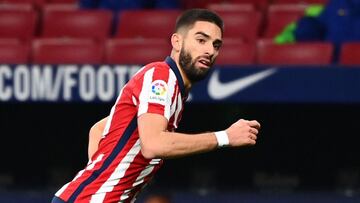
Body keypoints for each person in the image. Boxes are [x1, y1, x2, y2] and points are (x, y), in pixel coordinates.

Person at [52, 9, 261, 203]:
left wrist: (110, 184)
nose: (210, 50)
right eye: (201, 40)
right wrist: (225, 137)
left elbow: (97, 130)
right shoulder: (160, 77)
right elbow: (153, 145)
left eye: (216, 45)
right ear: (177, 42)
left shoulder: (176, 91)